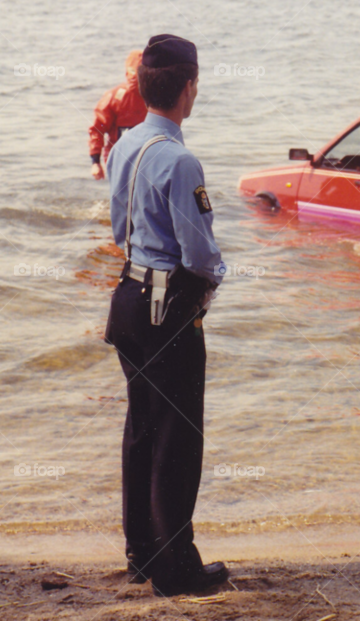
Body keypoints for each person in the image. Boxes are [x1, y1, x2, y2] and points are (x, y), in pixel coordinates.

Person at [104, 34, 228, 596]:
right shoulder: (180, 160)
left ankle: (143, 553)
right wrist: (210, 288)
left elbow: (117, 227)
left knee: (142, 430)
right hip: (165, 306)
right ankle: (176, 568)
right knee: (177, 437)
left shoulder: (125, 143)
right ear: (189, 87)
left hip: (128, 297)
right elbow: (200, 256)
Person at [89, 50, 148, 180]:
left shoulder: (156, 97)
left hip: (148, 160)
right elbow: (97, 129)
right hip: (118, 161)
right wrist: (95, 162)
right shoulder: (114, 97)